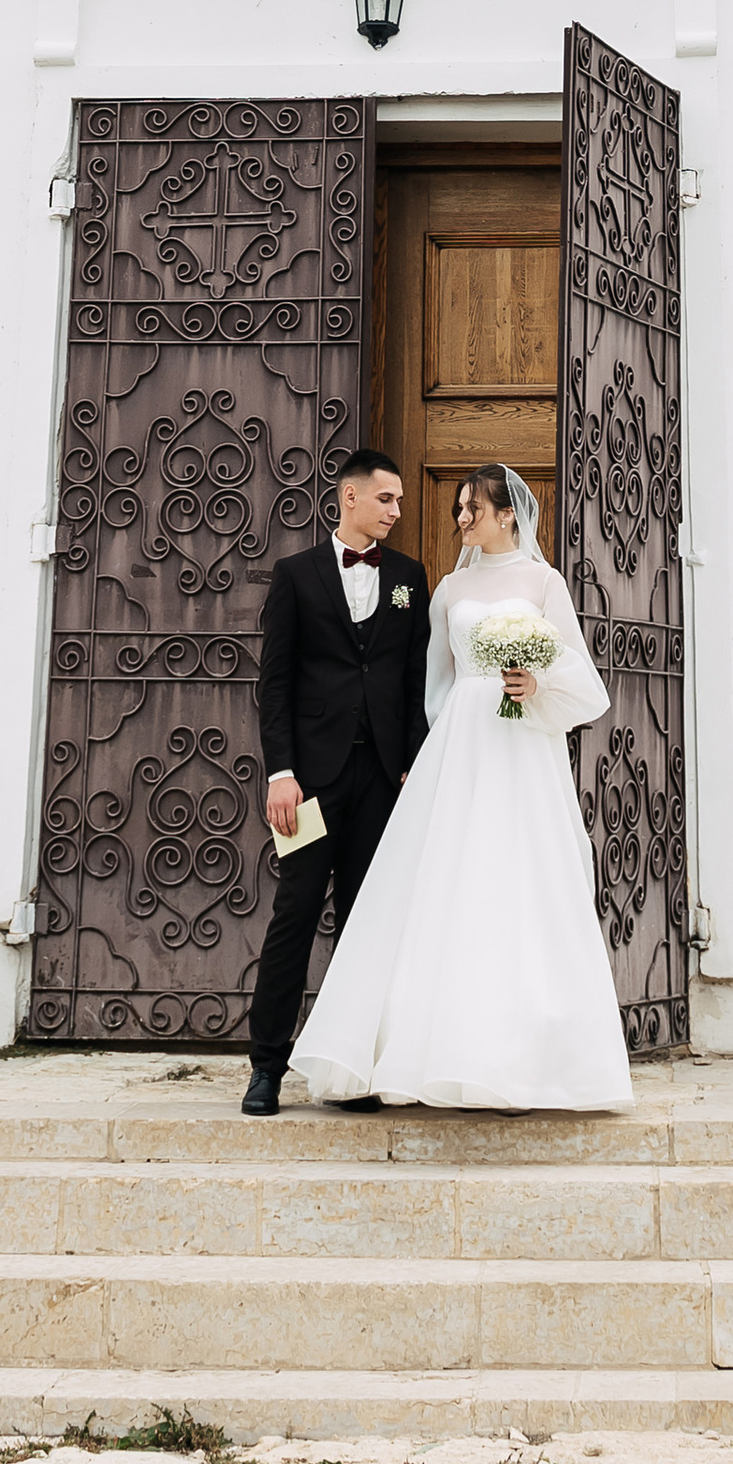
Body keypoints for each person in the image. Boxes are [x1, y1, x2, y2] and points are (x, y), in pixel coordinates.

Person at [287, 461, 634, 1112]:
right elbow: (433, 687)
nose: (462, 520)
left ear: (510, 515)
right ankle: (423, 1050)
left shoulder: (544, 582)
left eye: (474, 509)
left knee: (520, 883)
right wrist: (431, 751)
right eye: (459, 510)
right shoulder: (446, 590)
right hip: (460, 747)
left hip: (523, 746)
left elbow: (583, 682)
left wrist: (534, 687)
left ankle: (524, 1057)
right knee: (448, 881)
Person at [242, 445, 432, 1118]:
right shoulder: (296, 575)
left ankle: (353, 1071)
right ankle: (265, 1068)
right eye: (387, 499)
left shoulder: (410, 577)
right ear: (350, 497)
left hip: (380, 780)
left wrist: (412, 762)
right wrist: (281, 774)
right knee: (294, 915)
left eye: (400, 500)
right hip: (309, 786)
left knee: (363, 923)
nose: (397, 511)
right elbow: (276, 684)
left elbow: (415, 681)